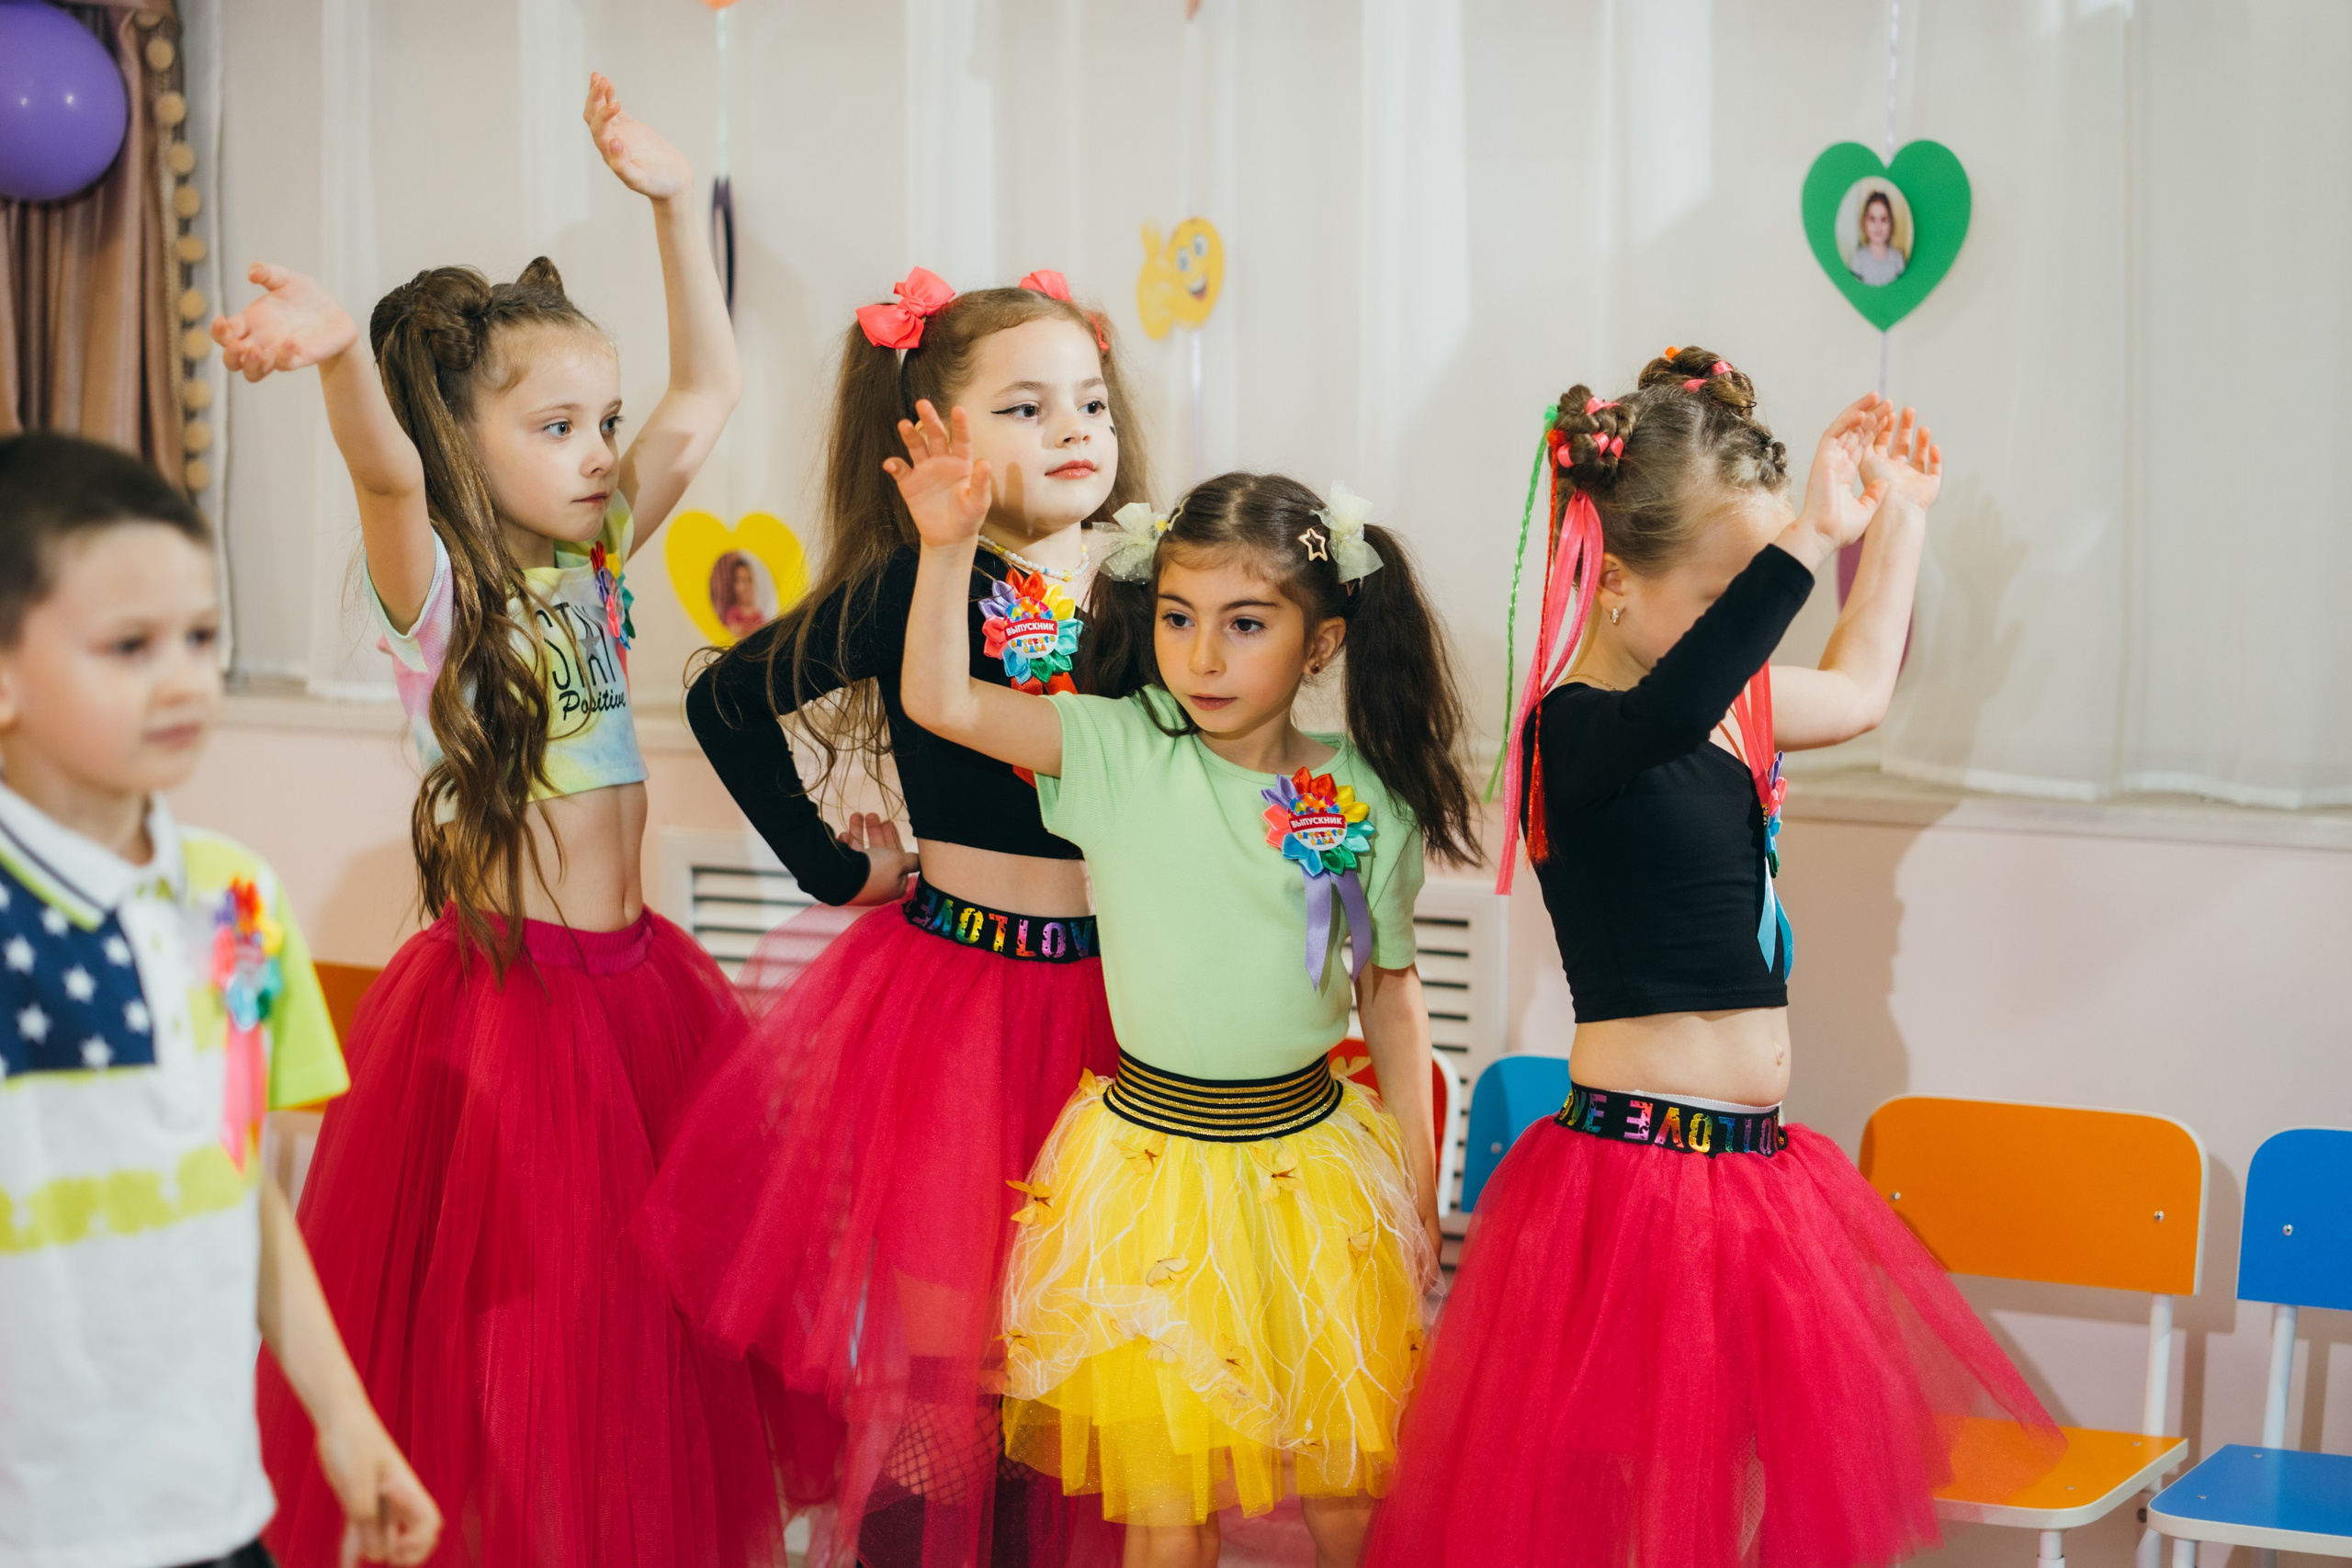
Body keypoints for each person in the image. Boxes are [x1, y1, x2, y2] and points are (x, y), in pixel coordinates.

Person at [1362, 349, 2059, 1568]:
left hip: (1756, 1174)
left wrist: (1898, 515)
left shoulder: (1733, 701)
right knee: (1634, 1504)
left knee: (1735, 1495)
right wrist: (1800, 539)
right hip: (1637, 1181)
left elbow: (1854, 686)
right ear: (1616, 583)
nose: (1760, 616)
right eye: (1734, 585)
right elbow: (1670, 707)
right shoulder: (1571, 731)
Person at [212, 75, 777, 1565]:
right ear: (464, 442)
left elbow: (706, 397)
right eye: (557, 425)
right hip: (515, 1011)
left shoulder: (595, 554)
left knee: (651, 1342)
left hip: (641, 990)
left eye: (601, 420)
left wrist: (669, 205)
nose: (601, 450)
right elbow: (383, 469)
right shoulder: (441, 599)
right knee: (532, 1351)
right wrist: (342, 363)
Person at [896, 411, 1481, 1568]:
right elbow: (945, 705)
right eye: (1177, 618)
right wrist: (944, 549)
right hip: (1147, 1182)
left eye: (1245, 624)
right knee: (1165, 1517)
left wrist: (1416, 1191)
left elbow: (1392, 997)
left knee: (1347, 1493)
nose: (1202, 656)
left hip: (1314, 1181)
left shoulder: (1371, 795)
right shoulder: (1117, 750)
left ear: (1319, 646)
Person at [634, 268, 1148, 1568]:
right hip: (960, 1012)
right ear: (931, 433)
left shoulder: (1156, 583)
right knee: (950, 1353)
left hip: (1124, 1008)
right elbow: (726, 702)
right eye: (1027, 406)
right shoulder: (919, 587)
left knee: (1077, 1341)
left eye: (1089, 398)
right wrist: (830, 867)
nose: (1077, 426)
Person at [0, 433, 440, 1568]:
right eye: (130, 646)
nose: (186, 677)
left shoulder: (237, 901)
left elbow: (235, 1185)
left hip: (211, 1506)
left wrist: (346, 1424)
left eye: (201, 636)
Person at [1849, 188, 1907, 286]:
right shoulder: (1858, 259)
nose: (1878, 225)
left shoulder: (1898, 259)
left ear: (1891, 223)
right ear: (1864, 222)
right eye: (1872, 219)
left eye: (1883, 219)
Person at [718, 553, 768, 638]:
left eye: (749, 579)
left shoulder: (760, 616)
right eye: (740, 580)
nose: (746, 584)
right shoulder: (731, 613)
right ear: (734, 585)